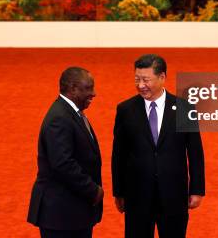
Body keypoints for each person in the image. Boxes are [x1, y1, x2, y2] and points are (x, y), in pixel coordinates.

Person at [112, 54, 205, 238]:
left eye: (146, 80)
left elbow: (195, 152)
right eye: (137, 79)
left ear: (162, 77)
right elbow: (119, 154)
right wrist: (119, 191)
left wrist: (197, 189)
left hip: (173, 196)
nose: (140, 85)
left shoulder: (185, 108)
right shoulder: (125, 110)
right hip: (137, 196)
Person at [28, 67, 104, 238]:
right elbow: (62, 164)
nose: (94, 93)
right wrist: (92, 190)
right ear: (72, 88)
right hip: (62, 217)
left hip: (71, 213)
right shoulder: (59, 119)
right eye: (88, 88)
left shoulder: (71, 113)